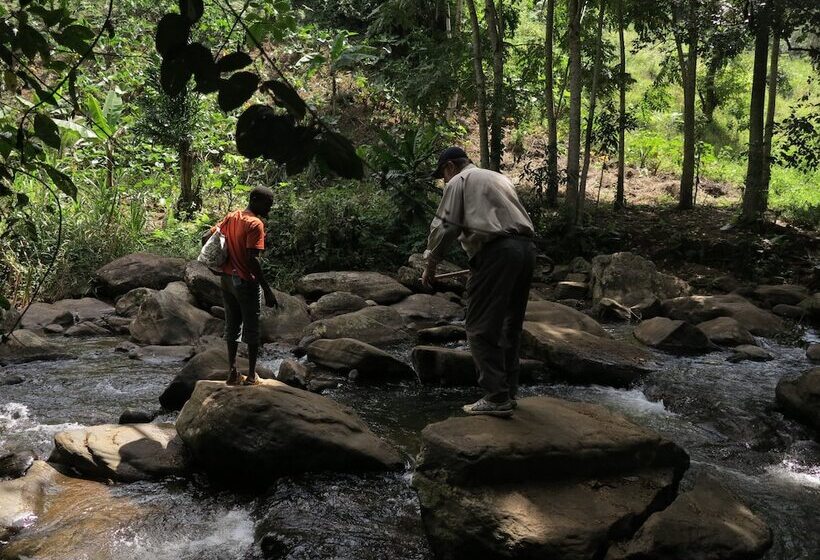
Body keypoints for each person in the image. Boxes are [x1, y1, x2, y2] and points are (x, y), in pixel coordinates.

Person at [421, 147, 535, 417]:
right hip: (526, 249)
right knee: (510, 325)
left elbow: (446, 226)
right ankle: (509, 392)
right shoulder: (498, 178)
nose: (444, 181)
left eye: (442, 175)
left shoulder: (460, 181)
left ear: (450, 167)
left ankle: (496, 396)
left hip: (496, 252)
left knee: (478, 326)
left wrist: (431, 264)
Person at [203, 187, 278, 386]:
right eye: (267, 204)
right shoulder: (255, 224)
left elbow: (206, 237)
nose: (270, 208)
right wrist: (267, 290)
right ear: (255, 200)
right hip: (245, 282)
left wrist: (217, 263)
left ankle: (232, 373)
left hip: (227, 280)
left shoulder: (231, 217)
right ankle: (252, 376)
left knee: (232, 326)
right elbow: (253, 260)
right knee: (252, 328)